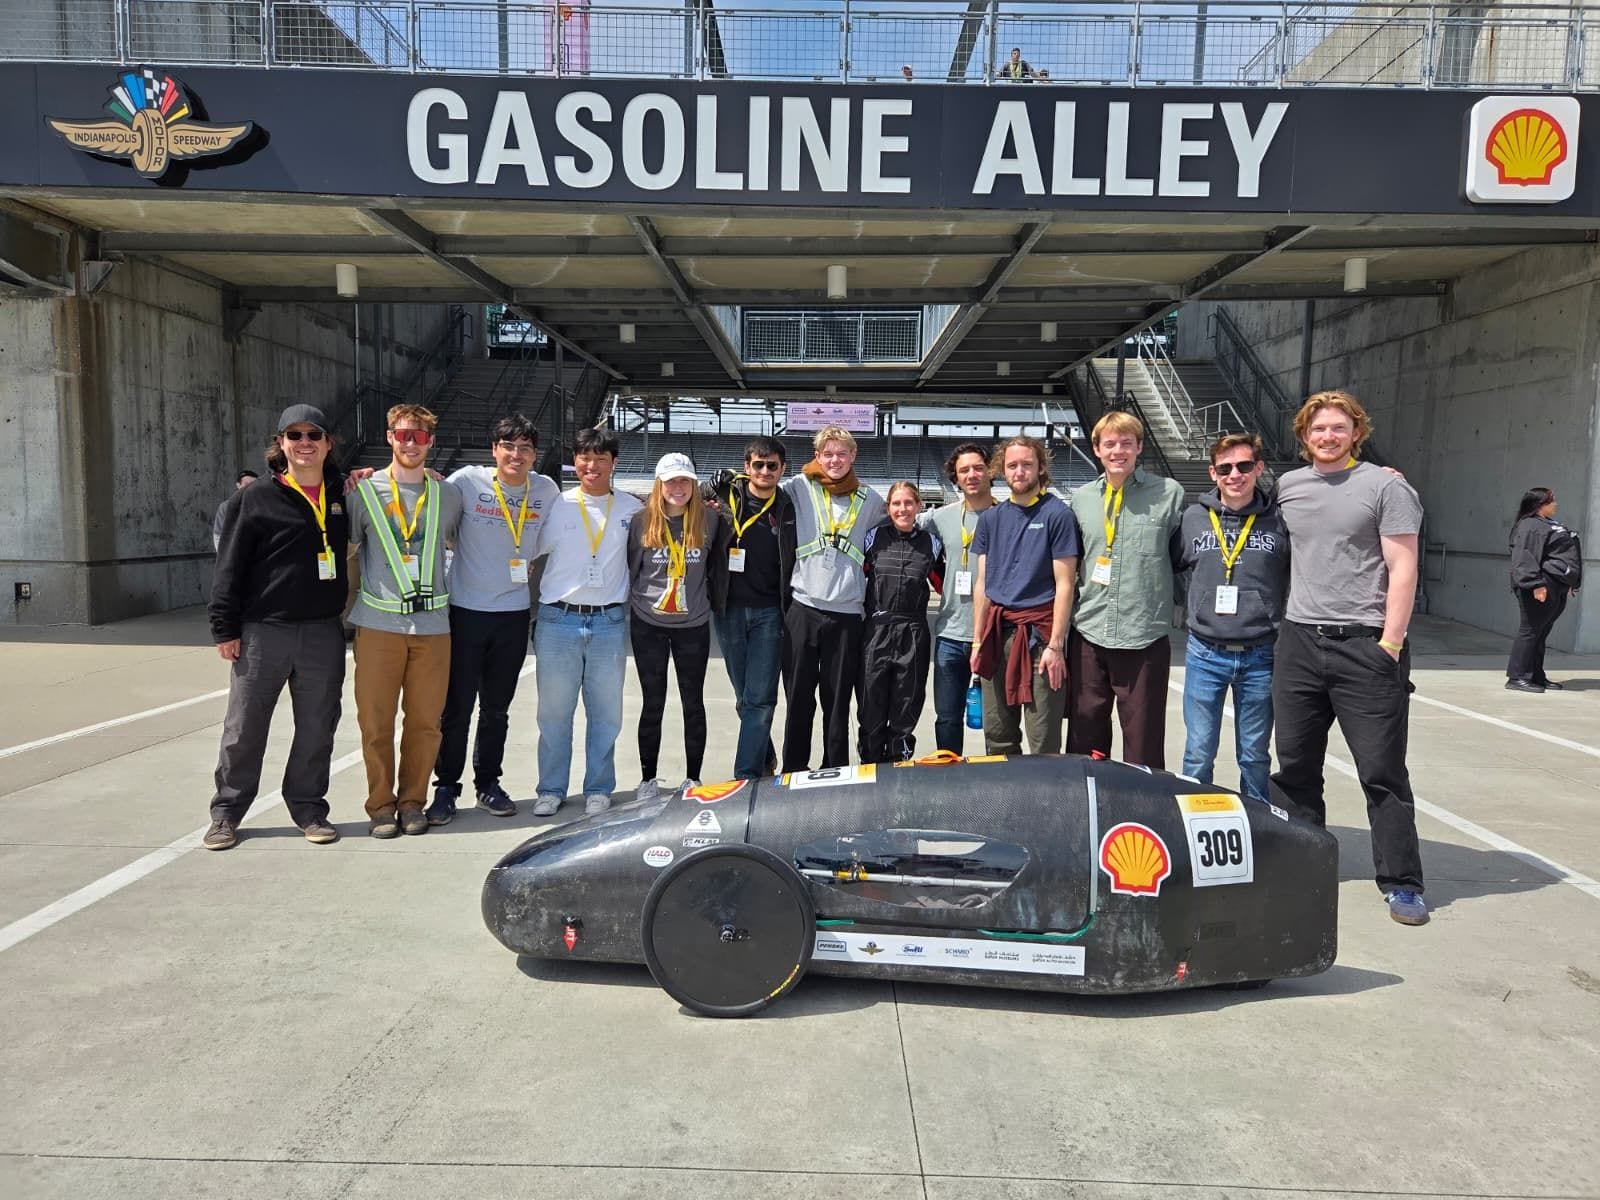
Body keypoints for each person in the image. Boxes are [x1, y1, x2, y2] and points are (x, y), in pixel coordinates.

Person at [1271, 390, 1428, 926]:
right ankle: (1302, 864)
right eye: (1318, 429)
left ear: (1357, 433)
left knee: (1382, 771)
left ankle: (1402, 883)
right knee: (1295, 766)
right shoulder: (1289, 487)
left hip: (1366, 645)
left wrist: (1390, 643)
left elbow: (1403, 567)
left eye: (1339, 428)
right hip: (1299, 641)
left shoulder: (1386, 487)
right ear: (1304, 435)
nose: (1328, 436)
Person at [204, 407, 346, 850]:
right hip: (263, 631)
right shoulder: (255, 498)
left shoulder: (342, 492)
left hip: (322, 631)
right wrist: (224, 627)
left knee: (318, 727)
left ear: (328, 443)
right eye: (294, 435)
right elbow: (229, 564)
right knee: (244, 727)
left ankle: (308, 807)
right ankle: (227, 812)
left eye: (314, 435)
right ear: (281, 443)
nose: (305, 443)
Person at [426, 414, 560, 825]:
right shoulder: (467, 481)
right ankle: (446, 787)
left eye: (525, 448)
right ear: (494, 450)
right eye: (509, 446)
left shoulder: (546, 489)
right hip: (466, 612)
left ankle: (488, 783)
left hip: (513, 615)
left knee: (497, 710)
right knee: (457, 709)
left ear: (534, 455)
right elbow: (428, 500)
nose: (516, 455)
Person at [348, 404, 464, 839]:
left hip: (433, 628)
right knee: (375, 723)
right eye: (402, 435)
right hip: (379, 625)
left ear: (430, 442)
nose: (410, 443)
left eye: (419, 436)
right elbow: (348, 550)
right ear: (389, 437)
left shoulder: (448, 495)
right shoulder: (362, 492)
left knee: (425, 723)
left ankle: (413, 802)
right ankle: (381, 806)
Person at [1065, 412, 1185, 769]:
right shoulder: (1082, 499)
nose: (1118, 451)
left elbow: (1182, 557)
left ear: (1139, 447)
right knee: (1085, 734)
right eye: (1110, 444)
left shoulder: (1168, 494)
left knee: (1143, 740)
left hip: (1143, 634)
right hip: (1090, 629)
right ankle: (1090, 796)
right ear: (1097, 450)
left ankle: (1143, 799)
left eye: (1126, 443)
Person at [533, 427, 643, 817]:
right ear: (575, 461)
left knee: (606, 714)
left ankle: (598, 787)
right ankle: (551, 788)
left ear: (614, 463)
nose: (591, 465)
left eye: (600, 458)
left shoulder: (632, 509)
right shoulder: (556, 505)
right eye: (584, 457)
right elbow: (526, 546)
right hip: (558, 619)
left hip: (608, 622)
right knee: (554, 713)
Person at [1176, 434, 1290, 802]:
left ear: (1259, 468)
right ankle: (1195, 820)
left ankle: (1258, 823)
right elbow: (1170, 563)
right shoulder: (1193, 518)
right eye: (1225, 468)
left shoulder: (1279, 519)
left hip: (1260, 653)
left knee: (1254, 755)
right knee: (1198, 752)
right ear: (1213, 473)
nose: (1235, 475)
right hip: (1205, 652)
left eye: (1244, 466)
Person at [780, 426, 886, 772]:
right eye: (828, 454)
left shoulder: (870, 500)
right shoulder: (799, 487)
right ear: (817, 456)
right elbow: (759, 490)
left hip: (846, 615)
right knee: (798, 698)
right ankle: (793, 768)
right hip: (804, 608)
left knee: (837, 701)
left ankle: (835, 769)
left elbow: (902, 521)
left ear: (853, 456)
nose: (835, 460)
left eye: (842, 453)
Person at [969, 436, 1080, 755]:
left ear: (1041, 468)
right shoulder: (991, 519)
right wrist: (977, 642)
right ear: (1001, 470)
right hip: (996, 634)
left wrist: (1055, 646)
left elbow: (1065, 584)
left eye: (1027, 464)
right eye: (1012, 465)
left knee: (1043, 737)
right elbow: (983, 584)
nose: (1019, 471)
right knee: (997, 734)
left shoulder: (1057, 515)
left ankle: (1046, 791)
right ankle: (1004, 789)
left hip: (1039, 638)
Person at [628, 452, 726, 801]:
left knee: (692, 701)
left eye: (685, 480)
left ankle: (693, 777)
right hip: (648, 623)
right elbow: (632, 568)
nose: (678, 487)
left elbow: (716, 564)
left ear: (694, 484)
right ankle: (647, 778)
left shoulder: (709, 520)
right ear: (660, 484)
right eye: (671, 481)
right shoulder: (641, 521)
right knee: (652, 701)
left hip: (693, 624)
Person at [711, 437, 796, 780]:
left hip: (769, 613)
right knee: (745, 697)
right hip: (728, 610)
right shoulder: (725, 493)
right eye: (758, 464)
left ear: (782, 469)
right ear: (746, 467)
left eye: (772, 465)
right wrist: (712, 482)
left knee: (760, 698)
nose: (764, 471)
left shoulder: (788, 506)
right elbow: (687, 495)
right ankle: (765, 756)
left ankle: (746, 775)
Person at [859, 481, 944, 764]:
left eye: (909, 503)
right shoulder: (872, 538)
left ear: (919, 506)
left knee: (906, 705)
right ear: (888, 508)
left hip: (914, 632)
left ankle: (899, 765)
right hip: (876, 630)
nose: (903, 509)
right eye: (896, 503)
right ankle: (870, 764)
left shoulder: (932, 544)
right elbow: (855, 575)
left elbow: (944, 586)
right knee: (871, 705)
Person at [921, 442, 994, 755]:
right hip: (950, 632)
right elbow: (900, 518)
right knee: (948, 718)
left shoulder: (1006, 516)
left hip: (993, 633)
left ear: (990, 471)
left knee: (996, 721)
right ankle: (949, 773)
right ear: (955, 477)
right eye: (964, 470)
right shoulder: (941, 518)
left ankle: (999, 775)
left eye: (978, 468)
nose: (971, 475)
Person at [1506, 487, 1582, 693]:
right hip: (1541, 584)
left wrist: (1570, 582)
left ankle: (1535, 675)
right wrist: (1535, 584)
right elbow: (1525, 556)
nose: (1555, 504)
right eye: (1551, 500)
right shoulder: (1530, 525)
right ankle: (1517, 676)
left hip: (1557, 584)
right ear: (1540, 504)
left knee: (1541, 632)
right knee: (1530, 630)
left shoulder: (1548, 523)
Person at [212, 469, 258, 550]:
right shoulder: (226, 506)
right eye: (246, 484)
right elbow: (218, 535)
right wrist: (224, 555)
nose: (250, 488)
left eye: (254, 485)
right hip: (234, 552)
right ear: (238, 485)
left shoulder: (263, 505)